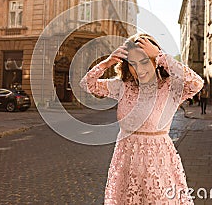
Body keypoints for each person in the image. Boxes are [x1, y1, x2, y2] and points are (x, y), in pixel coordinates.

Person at [80, 33, 203, 204]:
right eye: (133, 64)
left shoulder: (171, 88)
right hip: (126, 162)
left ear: (155, 62)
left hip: (157, 164)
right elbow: (87, 84)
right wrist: (108, 62)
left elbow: (197, 83)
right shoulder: (123, 86)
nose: (139, 69)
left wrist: (160, 55)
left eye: (145, 61)